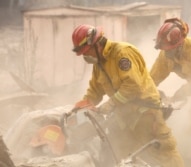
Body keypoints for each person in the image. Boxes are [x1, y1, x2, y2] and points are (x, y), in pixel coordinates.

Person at [71, 24, 184, 167]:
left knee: (163, 152)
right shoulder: (99, 63)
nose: (87, 57)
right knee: (120, 154)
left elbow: (133, 86)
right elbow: (95, 90)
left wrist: (110, 104)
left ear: (97, 44)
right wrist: (83, 105)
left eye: (87, 52)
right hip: (124, 118)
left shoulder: (122, 53)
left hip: (146, 115)